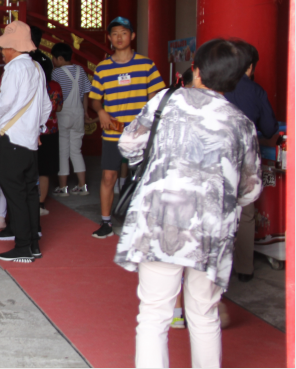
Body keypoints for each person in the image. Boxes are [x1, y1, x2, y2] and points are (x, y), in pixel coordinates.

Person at [115, 39, 262, 368]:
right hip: (211, 230)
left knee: (154, 313)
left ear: (195, 70)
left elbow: (129, 144)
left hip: (159, 218)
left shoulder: (164, 102)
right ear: (236, 79)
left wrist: (159, 169)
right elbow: (249, 189)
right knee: (204, 314)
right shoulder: (241, 123)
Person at [88, 17, 165, 239]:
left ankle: (144, 223)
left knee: (144, 178)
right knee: (108, 176)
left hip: (140, 134)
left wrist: (148, 126)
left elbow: (156, 98)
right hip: (113, 133)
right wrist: (100, 111)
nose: (119, 37)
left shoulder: (146, 65)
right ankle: (106, 222)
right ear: (109, 38)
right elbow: (94, 99)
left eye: (123, 33)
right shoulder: (103, 68)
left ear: (132, 36)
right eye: (115, 34)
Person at [0, 21, 52, 263]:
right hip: (29, 142)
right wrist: (38, 128)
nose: (2, 51)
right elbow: (46, 105)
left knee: (15, 195)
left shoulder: (14, 68)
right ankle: (33, 244)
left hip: (12, 140)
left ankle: (23, 247)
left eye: (4, 47)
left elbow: (4, 102)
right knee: (29, 194)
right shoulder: (36, 67)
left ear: (13, 47)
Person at [224, 40, 280, 283]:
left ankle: (217, 267)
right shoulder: (256, 91)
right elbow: (269, 129)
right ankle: (245, 268)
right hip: (246, 156)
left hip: (217, 157)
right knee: (245, 211)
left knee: (217, 208)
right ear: (250, 66)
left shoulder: (216, 86)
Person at [50, 42, 92, 196]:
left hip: (63, 114)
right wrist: (85, 112)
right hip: (78, 113)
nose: (53, 61)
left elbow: (54, 95)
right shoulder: (81, 71)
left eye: (54, 58)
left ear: (60, 58)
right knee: (76, 151)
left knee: (62, 151)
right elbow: (86, 93)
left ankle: (63, 188)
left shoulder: (56, 73)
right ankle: (82, 186)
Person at [31, 54, 62, 217]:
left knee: (29, 167)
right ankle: (40, 203)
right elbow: (59, 108)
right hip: (50, 130)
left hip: (30, 130)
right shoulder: (55, 86)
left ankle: (28, 201)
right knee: (45, 169)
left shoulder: (31, 85)